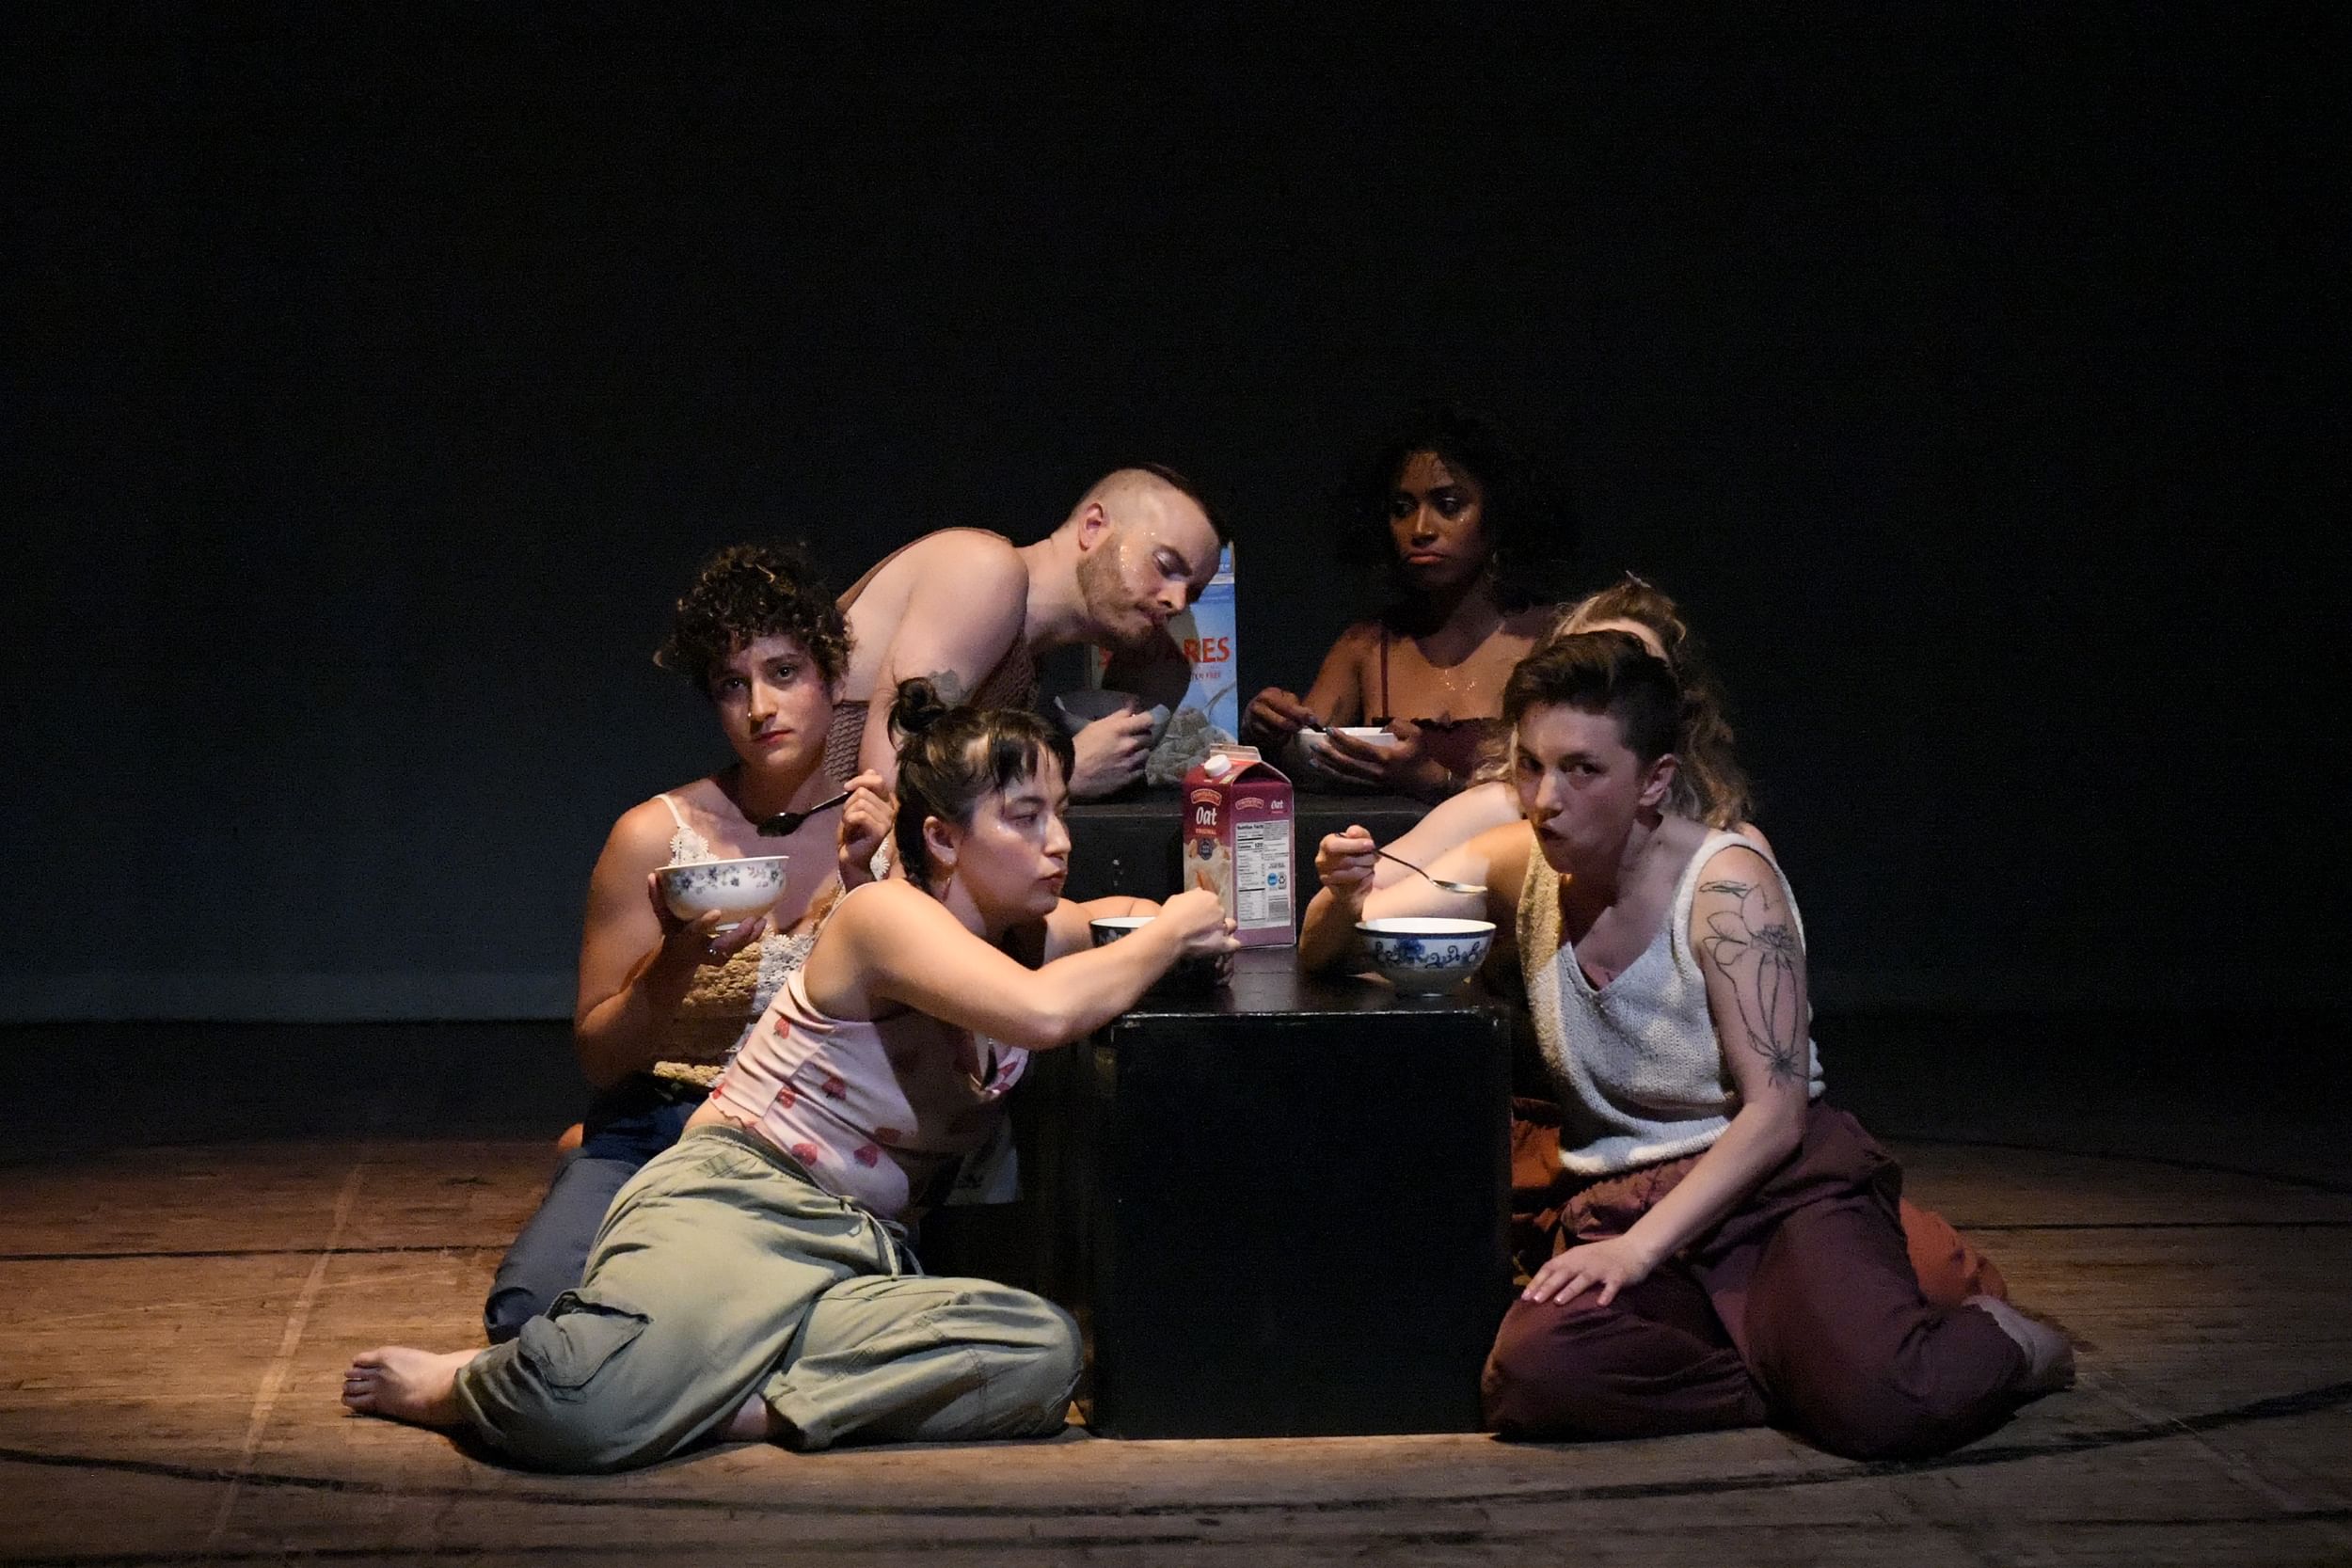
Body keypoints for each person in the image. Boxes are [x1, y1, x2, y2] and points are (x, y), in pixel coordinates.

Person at [344, 683, 1238, 1470]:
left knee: (1039, 1352)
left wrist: (1334, 894)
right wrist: (1170, 931)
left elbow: (1180, 931)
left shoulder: (1051, 935)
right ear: (942, 836)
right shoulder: (883, 917)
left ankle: (722, 1402)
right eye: (1025, 816)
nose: (1060, 843)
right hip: (742, 1203)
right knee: (577, 1412)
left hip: (861, 1258)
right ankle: (463, 1384)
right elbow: (1047, 1012)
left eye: (1062, 812)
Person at [1306, 634, 2070, 1459]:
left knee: (1889, 1406)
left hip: (1770, 1195)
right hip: (1620, 1199)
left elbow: (1776, 1114)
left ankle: (2011, 1342)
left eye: (1581, 769)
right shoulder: (1516, 865)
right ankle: (1793, 1371)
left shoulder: (1727, 885)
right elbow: (1338, 945)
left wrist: (1641, 1248)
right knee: (1536, 1377)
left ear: (1655, 781)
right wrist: (1344, 896)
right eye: (1529, 765)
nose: (1545, 797)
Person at [1298, 575, 2004, 1307]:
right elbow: (1355, 915)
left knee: (1923, 1290)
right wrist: (1345, 892)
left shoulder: (1727, 860)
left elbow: (1772, 1098)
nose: (1552, 789)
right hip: (1577, 1133)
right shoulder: (1509, 827)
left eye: (1627, 681)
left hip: (1721, 1144)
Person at [828, 465, 1225, 800]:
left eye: (1192, 592)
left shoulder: (1027, 647)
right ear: (1093, 526)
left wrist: (1155, 660)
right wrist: (1059, 773)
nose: (1177, 602)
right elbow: (889, 776)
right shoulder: (983, 571)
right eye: (1164, 565)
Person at [1244, 404, 1569, 800]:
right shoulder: (1365, 648)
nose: (1419, 529)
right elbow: (1308, 761)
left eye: (1448, 506)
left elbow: (1580, 794)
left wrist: (1438, 783)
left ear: (1499, 516)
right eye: (1402, 509)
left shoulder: (1555, 639)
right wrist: (1270, 732)